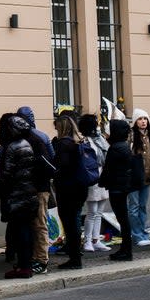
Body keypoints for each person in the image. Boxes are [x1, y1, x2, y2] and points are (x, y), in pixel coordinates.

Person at [0, 114, 39, 276]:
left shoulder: (13, 147)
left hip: (18, 197)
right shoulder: (26, 144)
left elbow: (6, 174)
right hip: (28, 195)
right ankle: (24, 265)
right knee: (25, 231)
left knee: (21, 233)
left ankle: (24, 267)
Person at [17, 106, 54, 275]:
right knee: (35, 224)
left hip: (38, 187)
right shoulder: (39, 136)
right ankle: (37, 257)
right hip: (34, 187)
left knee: (39, 224)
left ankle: (41, 260)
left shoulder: (36, 138)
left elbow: (50, 164)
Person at [99, 119, 139, 262]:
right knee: (124, 219)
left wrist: (101, 181)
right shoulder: (124, 146)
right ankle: (125, 249)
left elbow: (108, 169)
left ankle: (126, 250)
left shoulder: (115, 148)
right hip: (123, 186)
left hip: (117, 188)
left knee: (122, 219)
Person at [52, 111, 86, 269]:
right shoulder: (75, 142)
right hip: (79, 188)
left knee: (70, 224)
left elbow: (62, 168)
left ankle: (74, 259)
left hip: (67, 190)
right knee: (74, 223)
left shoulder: (63, 144)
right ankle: (76, 257)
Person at [78, 114, 111, 253]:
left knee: (99, 212)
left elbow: (106, 153)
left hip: (102, 176)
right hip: (92, 177)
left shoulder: (100, 139)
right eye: (96, 124)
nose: (98, 126)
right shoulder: (85, 141)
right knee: (92, 212)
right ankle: (87, 241)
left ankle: (96, 240)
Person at [128, 109, 150, 247]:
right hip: (134, 178)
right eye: (140, 119)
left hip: (147, 177)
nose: (143, 121)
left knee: (142, 207)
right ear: (135, 121)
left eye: (145, 119)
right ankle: (137, 234)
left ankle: (143, 232)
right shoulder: (131, 136)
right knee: (133, 207)